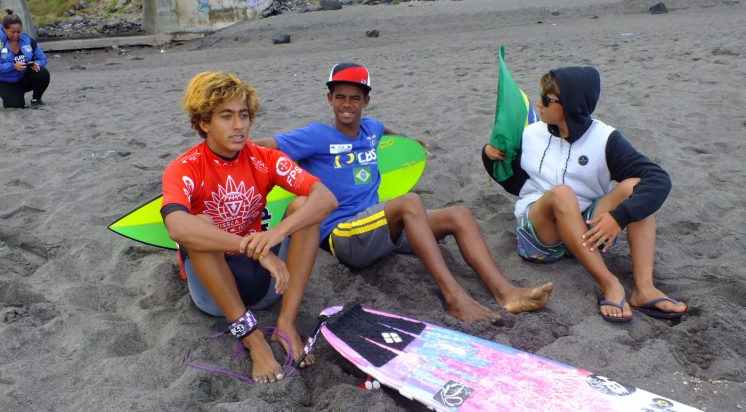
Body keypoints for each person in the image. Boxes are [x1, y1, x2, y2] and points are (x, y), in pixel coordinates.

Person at [254, 62, 553, 324]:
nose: (347, 104)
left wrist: (411, 143)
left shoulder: (371, 128)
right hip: (343, 235)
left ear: (366, 100)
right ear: (329, 98)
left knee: (459, 214)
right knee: (409, 202)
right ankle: (454, 298)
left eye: (355, 98)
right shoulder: (315, 135)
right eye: (340, 97)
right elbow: (263, 146)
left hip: (378, 229)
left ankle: (506, 293)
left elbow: (385, 130)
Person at [161, 72, 337, 382]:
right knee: (196, 224)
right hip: (214, 293)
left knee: (303, 208)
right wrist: (248, 246)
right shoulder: (184, 168)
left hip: (268, 283)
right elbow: (176, 226)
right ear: (204, 122)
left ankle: (285, 324)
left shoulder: (266, 159)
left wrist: (276, 234)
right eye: (226, 116)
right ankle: (253, 339)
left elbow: (325, 198)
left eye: (243, 115)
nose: (239, 125)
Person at [482, 66, 688, 322]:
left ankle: (644, 288)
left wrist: (619, 217)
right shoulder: (531, 134)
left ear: (570, 105)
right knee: (562, 194)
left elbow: (658, 179)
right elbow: (515, 184)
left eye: (547, 99)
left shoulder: (605, 139)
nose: (539, 104)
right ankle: (609, 283)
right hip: (540, 237)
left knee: (637, 188)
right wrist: (490, 156)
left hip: (584, 230)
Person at [0, 9, 50, 108]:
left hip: (23, 78)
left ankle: (36, 99)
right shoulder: (0, 43)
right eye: (12, 32)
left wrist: (35, 64)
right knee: (16, 105)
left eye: (18, 32)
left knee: (42, 72)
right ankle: (11, 96)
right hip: (5, 81)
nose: (16, 35)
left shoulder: (27, 40)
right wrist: (13, 66)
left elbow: (43, 59)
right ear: (5, 30)